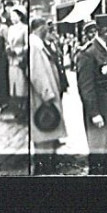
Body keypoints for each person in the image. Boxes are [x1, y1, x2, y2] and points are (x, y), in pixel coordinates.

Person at [76, 14, 107, 175]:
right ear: (103, 31)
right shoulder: (88, 53)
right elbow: (86, 88)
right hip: (100, 109)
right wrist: (94, 113)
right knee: (98, 150)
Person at [29, 16, 67, 175]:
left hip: (45, 97)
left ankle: (46, 166)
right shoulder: (35, 47)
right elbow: (37, 73)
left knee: (47, 134)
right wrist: (47, 94)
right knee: (45, 131)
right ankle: (44, 169)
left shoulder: (39, 45)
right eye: (46, 27)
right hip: (43, 100)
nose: (48, 30)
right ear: (40, 28)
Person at [5, 7, 29, 118]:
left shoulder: (25, 28)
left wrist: (18, 51)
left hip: (20, 59)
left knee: (21, 85)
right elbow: (7, 42)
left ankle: (23, 108)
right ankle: (16, 108)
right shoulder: (10, 29)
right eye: (11, 15)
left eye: (14, 15)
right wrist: (8, 48)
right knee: (13, 85)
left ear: (20, 16)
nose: (12, 17)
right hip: (11, 60)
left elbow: (27, 44)